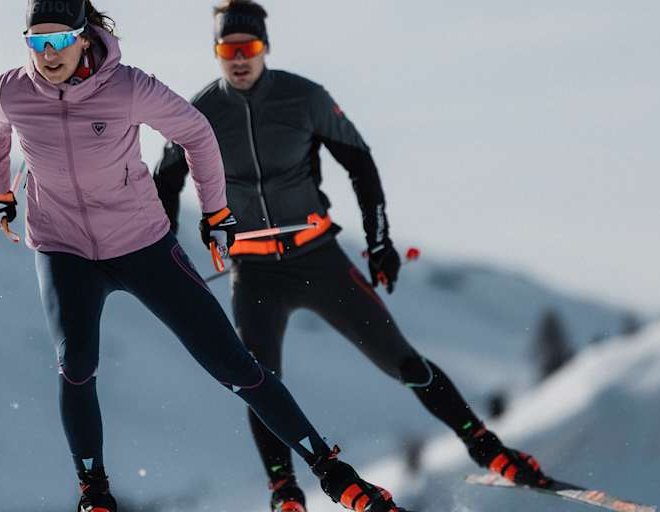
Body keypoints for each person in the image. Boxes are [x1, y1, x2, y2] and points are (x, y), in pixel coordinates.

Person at [0, 1, 413, 511]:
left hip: (141, 243)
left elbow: (196, 133)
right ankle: (94, 494)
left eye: (59, 41)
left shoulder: (127, 87)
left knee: (233, 365)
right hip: (62, 246)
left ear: (83, 36)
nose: (49, 54)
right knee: (75, 363)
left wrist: (215, 210)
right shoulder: (11, 91)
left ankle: (335, 475)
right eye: (37, 43)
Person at [152, 1, 550, 510]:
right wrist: (167, 255)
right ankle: (285, 492)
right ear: (216, 53)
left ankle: (488, 448)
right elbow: (165, 181)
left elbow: (359, 162)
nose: (239, 59)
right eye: (228, 50)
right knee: (259, 382)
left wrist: (379, 241)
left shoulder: (304, 97)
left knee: (403, 362)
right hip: (254, 273)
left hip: (318, 260)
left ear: (264, 47)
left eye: (247, 47)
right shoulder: (200, 112)